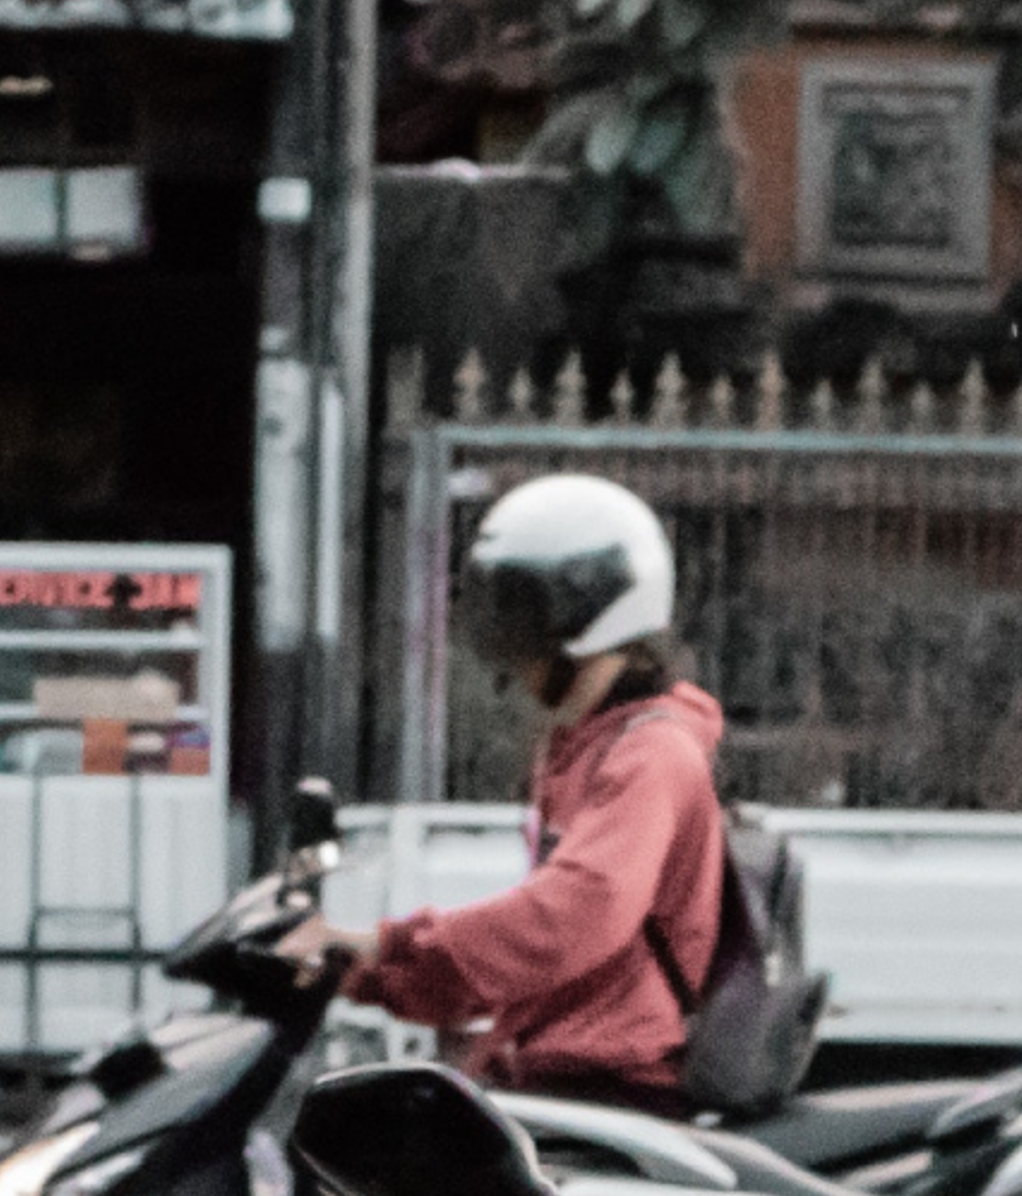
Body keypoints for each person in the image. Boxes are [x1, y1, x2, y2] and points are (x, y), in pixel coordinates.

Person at [290, 475, 723, 1110]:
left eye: (523, 616)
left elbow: (571, 918)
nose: (510, 649)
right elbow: (524, 961)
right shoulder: (582, 745)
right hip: (548, 1071)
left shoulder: (652, 753)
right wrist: (359, 975)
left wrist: (385, 942)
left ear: (586, 615)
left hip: (614, 1089)